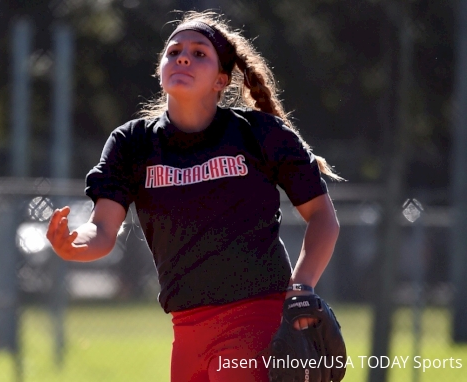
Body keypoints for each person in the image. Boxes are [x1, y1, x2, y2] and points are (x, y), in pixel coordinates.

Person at [46, 10, 341, 382]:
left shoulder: (258, 133)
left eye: (199, 53)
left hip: (255, 322)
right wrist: (74, 245)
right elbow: (102, 229)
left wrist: (301, 286)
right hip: (186, 332)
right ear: (160, 70)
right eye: (174, 51)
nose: (183, 57)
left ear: (222, 80)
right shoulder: (132, 143)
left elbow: (322, 216)